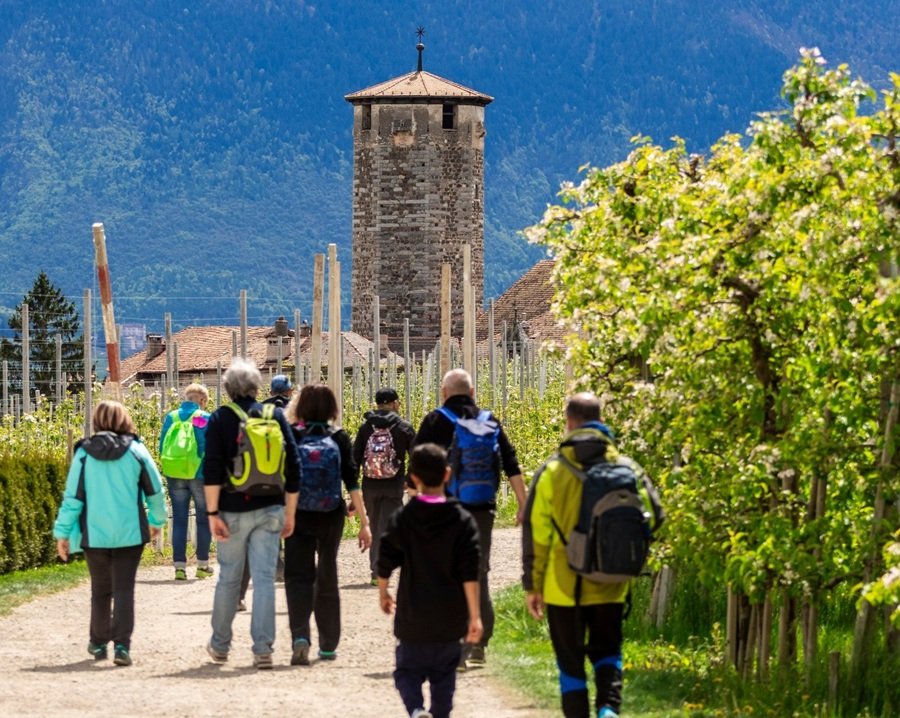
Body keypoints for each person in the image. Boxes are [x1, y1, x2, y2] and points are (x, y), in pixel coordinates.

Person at [522, 392, 661, 718]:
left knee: (570, 665)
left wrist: (533, 585)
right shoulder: (629, 468)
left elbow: (536, 534)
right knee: (608, 653)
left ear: (569, 423)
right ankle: (608, 711)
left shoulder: (553, 472)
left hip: (562, 588)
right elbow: (654, 517)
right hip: (610, 583)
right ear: (602, 421)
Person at [413, 368, 527, 668]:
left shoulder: (435, 420)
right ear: (473, 393)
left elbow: (417, 467)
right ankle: (479, 644)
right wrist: (522, 503)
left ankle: (455, 642)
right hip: (482, 509)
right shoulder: (488, 421)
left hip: (444, 510)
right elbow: (510, 461)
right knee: (478, 572)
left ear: (444, 392)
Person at [202, 357, 301, 669]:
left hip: (231, 509)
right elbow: (294, 466)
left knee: (229, 578)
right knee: (264, 580)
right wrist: (290, 513)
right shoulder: (275, 415)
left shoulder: (221, 418)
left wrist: (212, 513)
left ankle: (220, 645)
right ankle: (263, 649)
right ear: (258, 386)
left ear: (229, 388)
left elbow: (213, 469)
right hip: (271, 507)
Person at [53, 400, 167, 667]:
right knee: (124, 589)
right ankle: (123, 647)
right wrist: (157, 520)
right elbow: (155, 490)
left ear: (97, 421)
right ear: (124, 419)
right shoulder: (137, 451)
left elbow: (73, 498)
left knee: (101, 590)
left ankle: (98, 641)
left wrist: (63, 534)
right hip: (130, 533)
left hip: (95, 534)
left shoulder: (83, 454)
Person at [377, 443, 482, 718]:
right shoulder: (462, 520)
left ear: (413, 478)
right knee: (444, 682)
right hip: (450, 622)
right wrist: (474, 616)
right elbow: (470, 572)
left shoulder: (405, 517)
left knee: (406, 673)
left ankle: (415, 709)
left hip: (413, 618)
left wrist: (384, 591)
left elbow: (386, 556)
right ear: (448, 474)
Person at [284, 383, 372, 666]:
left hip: (298, 513)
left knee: (298, 576)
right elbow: (353, 482)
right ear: (332, 408)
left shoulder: (293, 436)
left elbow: (288, 480)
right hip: (331, 513)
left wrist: (286, 515)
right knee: (327, 573)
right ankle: (328, 644)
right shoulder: (339, 437)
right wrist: (364, 523)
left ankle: (300, 636)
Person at [352, 386, 415, 585]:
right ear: (395, 403)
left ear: (377, 404)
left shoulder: (365, 427)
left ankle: (377, 572)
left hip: (370, 485)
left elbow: (355, 459)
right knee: (395, 526)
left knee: (376, 527)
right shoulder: (404, 427)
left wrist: (353, 490)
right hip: (394, 484)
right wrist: (410, 480)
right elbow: (417, 455)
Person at [158, 382, 212, 581]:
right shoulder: (204, 418)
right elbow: (211, 446)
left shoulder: (171, 417)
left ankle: (179, 567)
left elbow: (161, 444)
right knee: (202, 519)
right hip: (199, 474)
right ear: (203, 401)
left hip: (175, 473)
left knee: (179, 520)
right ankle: (202, 565)